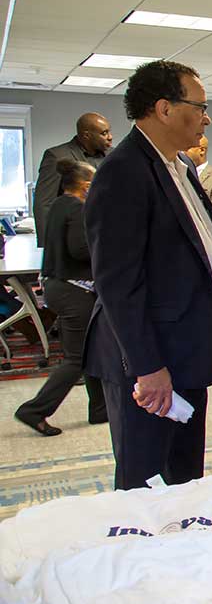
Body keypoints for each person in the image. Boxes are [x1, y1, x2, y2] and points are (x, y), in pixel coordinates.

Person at [84, 60, 212, 490]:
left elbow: (188, 246)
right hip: (149, 362)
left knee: (184, 478)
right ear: (164, 108)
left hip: (185, 354)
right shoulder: (124, 172)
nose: (206, 117)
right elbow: (118, 282)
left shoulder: (178, 165)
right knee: (146, 483)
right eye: (199, 106)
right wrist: (148, 368)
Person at [14, 160, 106, 436]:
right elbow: (80, 250)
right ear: (87, 186)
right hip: (73, 290)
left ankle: (100, 410)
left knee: (92, 349)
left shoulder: (57, 205)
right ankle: (35, 410)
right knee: (76, 358)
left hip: (58, 287)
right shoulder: (78, 208)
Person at [33, 113, 112, 246]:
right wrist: (47, 246)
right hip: (71, 240)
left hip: (106, 238)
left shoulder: (113, 156)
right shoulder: (57, 156)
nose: (110, 137)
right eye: (104, 133)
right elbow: (43, 204)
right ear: (86, 135)